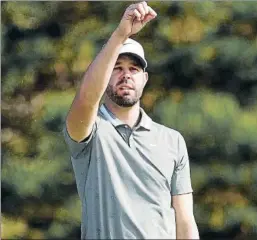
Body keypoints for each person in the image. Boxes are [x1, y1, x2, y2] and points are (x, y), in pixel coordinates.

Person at [63, 1, 199, 239]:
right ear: (105, 76)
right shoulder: (89, 131)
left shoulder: (172, 141)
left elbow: (185, 222)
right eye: (117, 67)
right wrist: (121, 34)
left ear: (144, 79)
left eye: (134, 69)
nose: (126, 74)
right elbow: (86, 98)